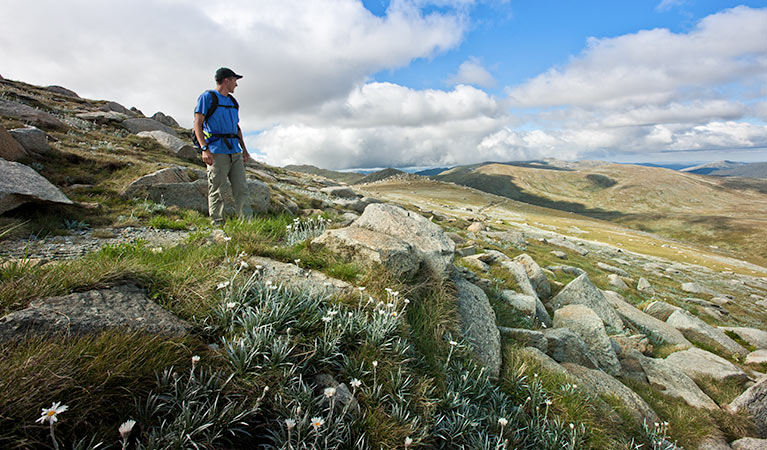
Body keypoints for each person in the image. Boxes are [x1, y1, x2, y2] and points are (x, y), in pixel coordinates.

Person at [194, 67, 252, 226]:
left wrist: (245, 151)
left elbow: (236, 127)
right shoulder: (207, 97)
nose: (236, 85)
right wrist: (204, 149)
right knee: (217, 190)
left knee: (242, 189)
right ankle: (217, 225)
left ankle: (247, 225)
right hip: (216, 151)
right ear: (226, 80)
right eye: (235, 80)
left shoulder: (233, 102)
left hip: (235, 152)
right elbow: (197, 124)